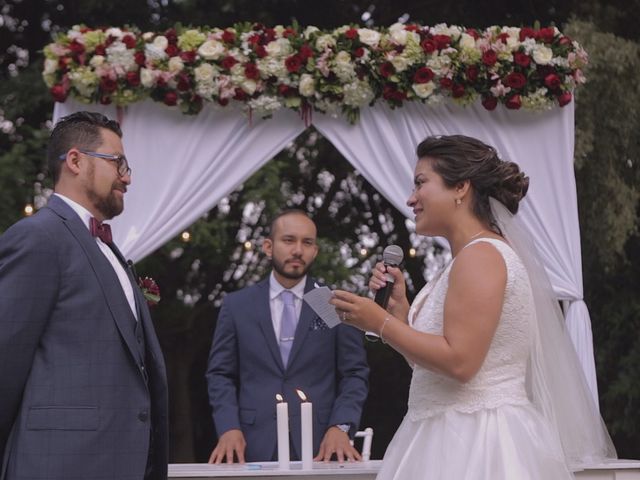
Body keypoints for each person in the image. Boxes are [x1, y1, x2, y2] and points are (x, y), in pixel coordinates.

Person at [331, 135, 616, 479]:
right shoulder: (465, 260)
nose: (411, 198)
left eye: (421, 183)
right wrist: (401, 315)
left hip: (479, 440)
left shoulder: (481, 257)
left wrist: (380, 324)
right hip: (444, 430)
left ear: (461, 187)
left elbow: (461, 363)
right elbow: (435, 366)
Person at [0, 111, 168, 480]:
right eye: (117, 162)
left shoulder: (111, 251)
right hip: (59, 464)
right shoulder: (37, 238)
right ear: (75, 161)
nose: (127, 176)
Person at [206, 209, 369, 464]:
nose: (298, 250)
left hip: (321, 446)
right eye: (289, 240)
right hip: (251, 443)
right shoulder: (238, 305)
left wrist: (341, 426)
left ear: (315, 251)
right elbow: (220, 374)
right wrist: (228, 427)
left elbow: (354, 373)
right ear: (269, 247)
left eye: (307, 242)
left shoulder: (330, 303)